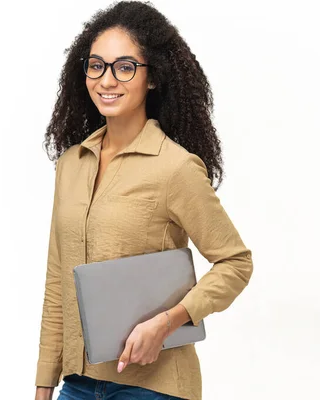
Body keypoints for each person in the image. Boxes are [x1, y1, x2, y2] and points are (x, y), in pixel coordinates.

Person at [34, 2, 254, 399]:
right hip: (78, 385)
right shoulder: (71, 164)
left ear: (152, 78)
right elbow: (57, 280)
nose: (107, 80)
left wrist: (168, 322)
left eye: (124, 67)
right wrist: (43, 385)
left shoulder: (175, 167)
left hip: (154, 387)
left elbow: (235, 263)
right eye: (96, 65)